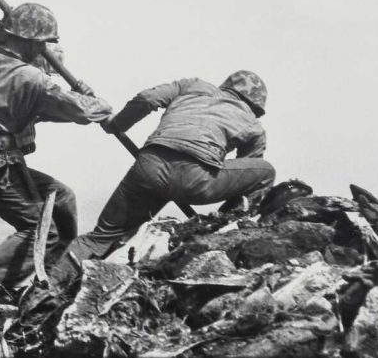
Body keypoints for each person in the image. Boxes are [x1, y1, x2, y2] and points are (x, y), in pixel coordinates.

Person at [0, 3, 113, 298]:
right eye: (40, 44)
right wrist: (97, 101)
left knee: (58, 199)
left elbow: (23, 104)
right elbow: (81, 112)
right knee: (43, 231)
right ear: (28, 41)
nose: (42, 50)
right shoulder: (32, 78)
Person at [48, 70, 275, 290]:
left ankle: (46, 285)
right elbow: (245, 178)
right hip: (196, 180)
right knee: (265, 172)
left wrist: (118, 124)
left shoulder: (192, 85)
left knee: (100, 237)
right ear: (255, 105)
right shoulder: (253, 125)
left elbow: (147, 98)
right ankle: (225, 229)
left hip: (148, 168)